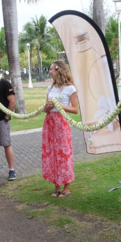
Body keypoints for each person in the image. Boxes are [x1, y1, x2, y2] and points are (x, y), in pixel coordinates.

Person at [43, 60, 79, 197]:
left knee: (63, 153)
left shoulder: (70, 88)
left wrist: (59, 105)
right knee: (52, 153)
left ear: (58, 70)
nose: (50, 71)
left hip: (61, 122)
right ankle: (56, 185)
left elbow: (75, 110)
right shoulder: (50, 88)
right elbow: (45, 109)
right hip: (49, 122)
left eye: (51, 69)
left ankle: (67, 186)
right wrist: (48, 107)